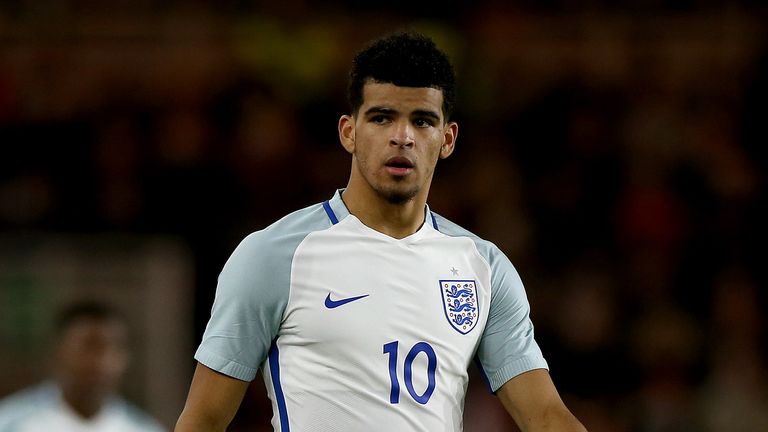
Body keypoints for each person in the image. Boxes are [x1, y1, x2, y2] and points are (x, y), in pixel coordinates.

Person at [175, 32, 587, 432]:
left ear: (447, 139)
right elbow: (203, 420)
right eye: (381, 117)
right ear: (348, 132)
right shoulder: (274, 255)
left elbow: (546, 415)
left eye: (422, 121)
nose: (402, 137)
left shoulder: (484, 267)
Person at [0, 302, 165, 432]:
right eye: (89, 346)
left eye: (114, 347)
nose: (102, 361)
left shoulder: (143, 428)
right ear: (57, 352)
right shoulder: (11, 424)